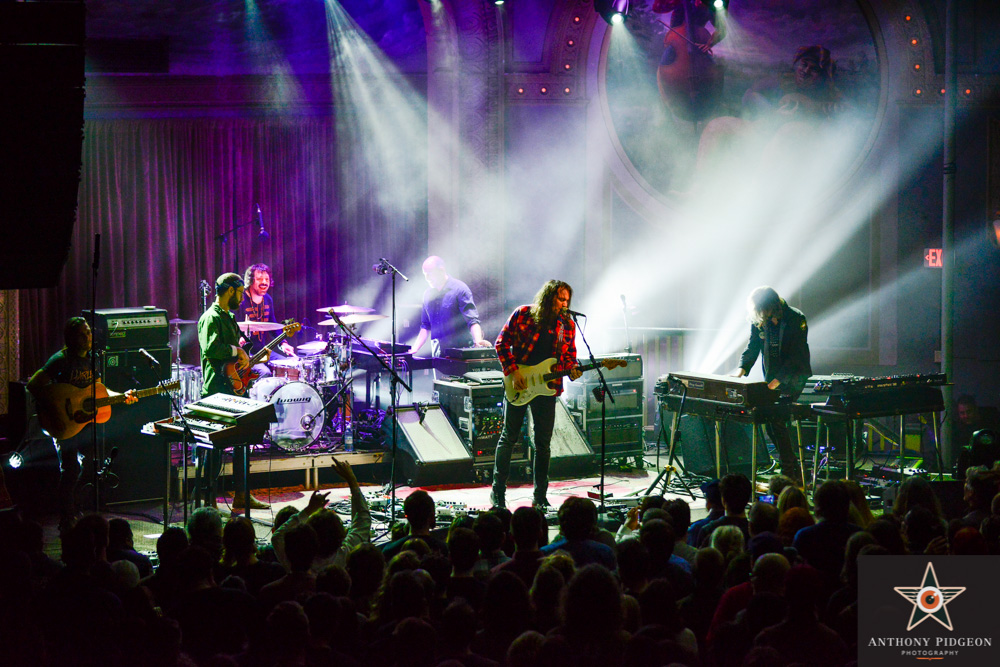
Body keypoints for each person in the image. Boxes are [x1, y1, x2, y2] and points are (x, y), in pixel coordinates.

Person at [26, 317, 136, 532]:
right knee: (70, 469)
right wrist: (54, 412)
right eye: (83, 334)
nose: (88, 337)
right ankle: (66, 519)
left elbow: (99, 390)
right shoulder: (60, 360)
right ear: (71, 338)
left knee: (89, 466)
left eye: (89, 332)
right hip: (63, 423)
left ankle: (79, 512)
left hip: (83, 423)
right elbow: (33, 385)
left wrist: (121, 396)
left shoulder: (93, 360)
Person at [491, 280, 582, 508]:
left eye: (567, 300)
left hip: (547, 388)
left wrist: (573, 370)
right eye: (560, 299)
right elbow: (501, 343)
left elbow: (569, 357)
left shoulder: (567, 325)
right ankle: (498, 493)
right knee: (509, 437)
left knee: (543, 444)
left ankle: (540, 497)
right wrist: (513, 372)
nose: (565, 304)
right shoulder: (523, 314)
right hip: (519, 383)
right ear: (549, 297)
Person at [197, 272, 268, 510]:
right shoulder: (211, 317)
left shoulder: (228, 317)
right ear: (230, 291)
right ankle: (209, 502)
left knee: (241, 445)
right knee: (214, 450)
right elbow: (211, 348)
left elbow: (236, 352)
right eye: (239, 293)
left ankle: (241, 495)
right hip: (216, 391)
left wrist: (250, 355)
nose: (241, 297)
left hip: (234, 390)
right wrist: (237, 351)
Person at [734, 286, 811, 483]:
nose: (760, 314)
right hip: (772, 378)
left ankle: (789, 471)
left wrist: (775, 383)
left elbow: (796, 357)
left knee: (777, 419)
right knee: (770, 423)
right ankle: (795, 469)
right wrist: (740, 371)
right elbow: (753, 346)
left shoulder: (795, 318)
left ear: (772, 306)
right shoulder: (761, 320)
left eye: (762, 309)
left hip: (794, 377)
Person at [409, 256, 491, 357]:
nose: (427, 278)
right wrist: (414, 348)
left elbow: (472, 321)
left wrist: (478, 342)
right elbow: (425, 326)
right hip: (438, 355)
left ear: (441, 270)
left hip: (459, 353)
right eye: (425, 274)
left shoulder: (460, 289)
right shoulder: (427, 294)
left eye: (430, 274)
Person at [236, 263, 295, 377]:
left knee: (288, 365)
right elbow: (230, 325)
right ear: (250, 281)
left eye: (266, 279)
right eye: (259, 279)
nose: (264, 282)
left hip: (262, 351)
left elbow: (273, 326)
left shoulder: (268, 299)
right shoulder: (240, 300)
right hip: (244, 354)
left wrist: (283, 343)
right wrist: (237, 337)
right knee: (265, 372)